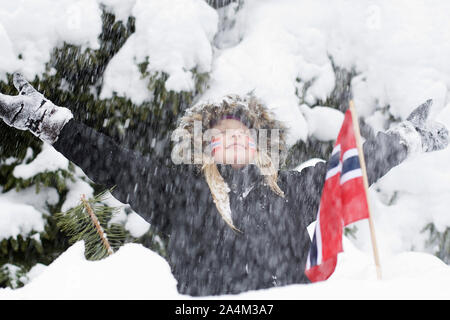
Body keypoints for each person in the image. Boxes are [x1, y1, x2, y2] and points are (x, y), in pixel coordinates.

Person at [0, 73, 448, 296]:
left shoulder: (290, 192)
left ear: (258, 144)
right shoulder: (176, 192)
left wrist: (405, 139)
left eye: (242, 133)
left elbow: (354, 167)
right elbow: (115, 165)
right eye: (220, 134)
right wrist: (52, 123)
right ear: (205, 145)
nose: (232, 139)